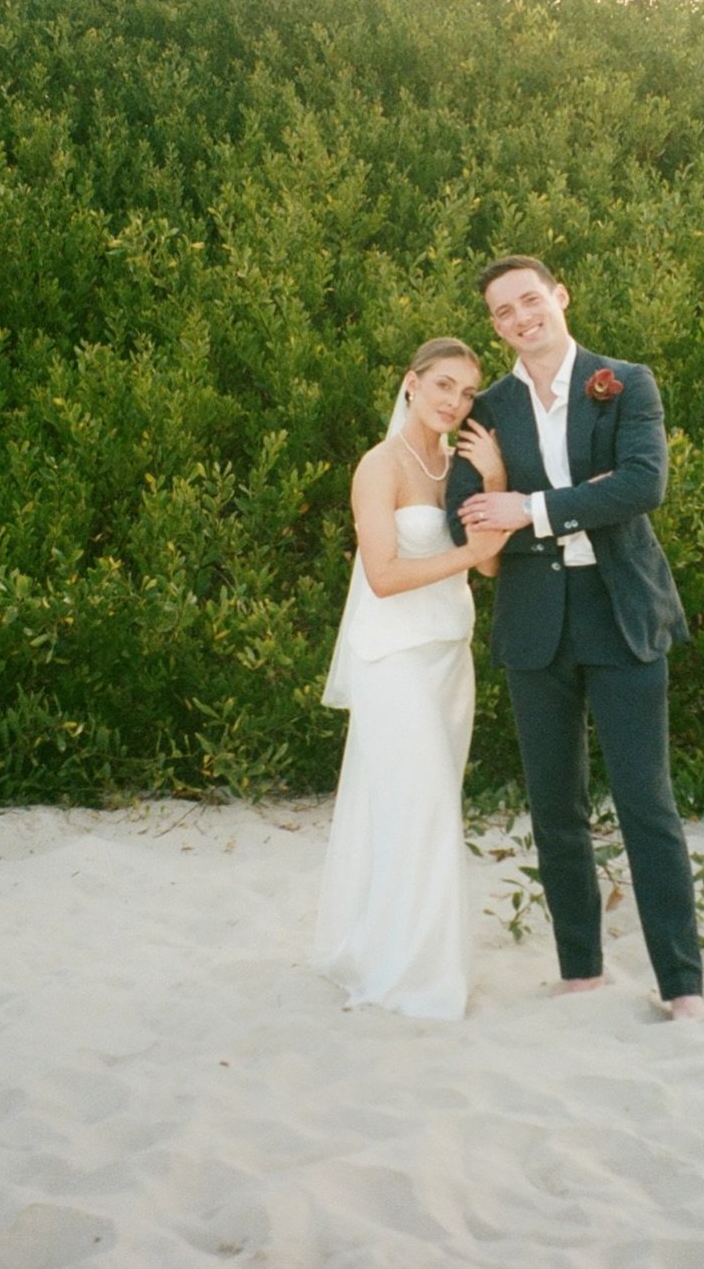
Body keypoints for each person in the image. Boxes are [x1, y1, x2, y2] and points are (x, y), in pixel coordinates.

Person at [447, 257, 704, 1020]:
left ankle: (681, 984)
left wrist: (532, 507)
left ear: (559, 297)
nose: (522, 317)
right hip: (535, 620)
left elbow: (643, 484)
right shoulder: (487, 409)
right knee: (555, 805)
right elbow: (470, 512)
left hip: (622, 611)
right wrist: (525, 495)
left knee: (644, 801)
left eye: (531, 300)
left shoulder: (627, 382)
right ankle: (581, 969)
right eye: (504, 311)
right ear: (496, 327)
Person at [315, 337, 506, 1020]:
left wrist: (490, 480)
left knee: (416, 807)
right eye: (443, 385)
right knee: (419, 803)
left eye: (466, 392)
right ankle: (413, 978)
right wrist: (468, 552)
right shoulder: (380, 466)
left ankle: (386, 948)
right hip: (392, 656)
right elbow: (385, 576)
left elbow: (487, 567)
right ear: (412, 384)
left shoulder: (456, 464)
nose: (454, 401)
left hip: (448, 654)